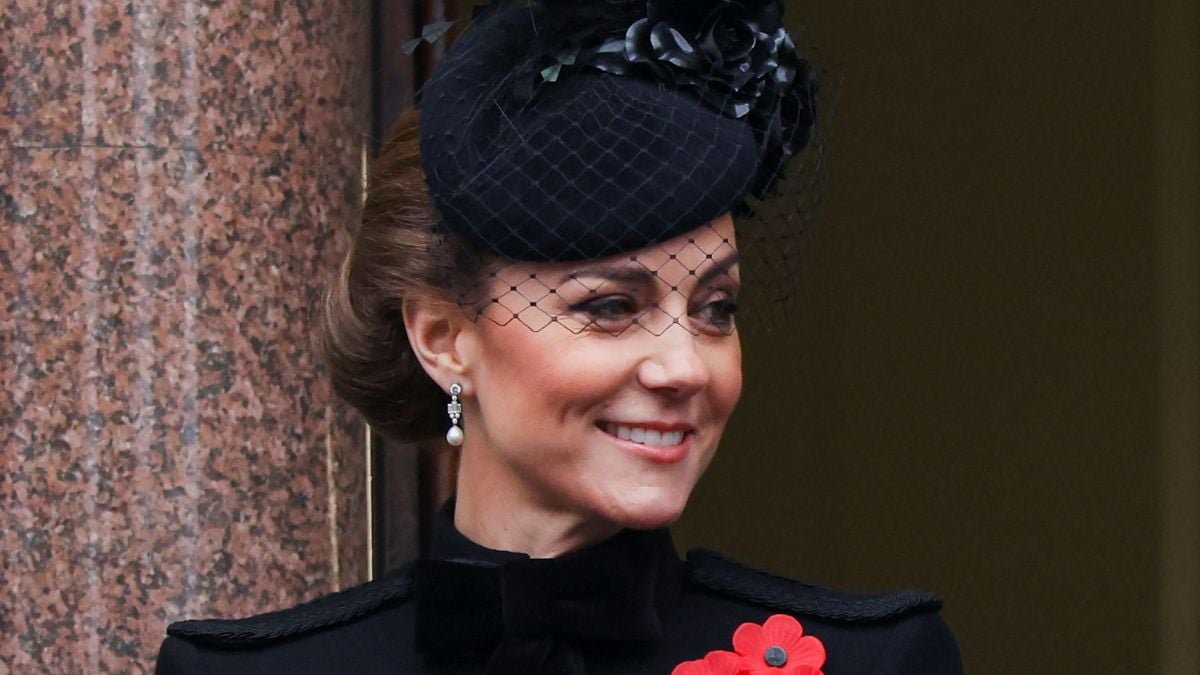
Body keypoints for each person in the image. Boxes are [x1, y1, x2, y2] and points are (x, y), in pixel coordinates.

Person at [156, 1, 964, 673]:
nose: (686, 365)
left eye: (716, 307)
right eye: (611, 306)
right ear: (443, 336)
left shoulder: (875, 661)